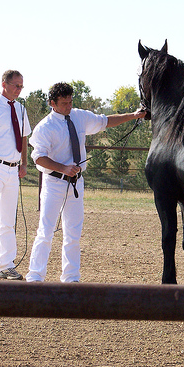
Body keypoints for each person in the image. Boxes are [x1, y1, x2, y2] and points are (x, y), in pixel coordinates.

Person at [26, 82, 146, 283]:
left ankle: (71, 277)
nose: (68, 106)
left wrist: (133, 116)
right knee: (46, 231)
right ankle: (35, 277)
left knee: (73, 233)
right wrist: (63, 168)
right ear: (52, 103)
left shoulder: (79, 116)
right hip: (54, 184)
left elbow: (105, 121)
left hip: (76, 184)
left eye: (71, 102)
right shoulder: (44, 128)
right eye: (64, 103)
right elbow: (38, 158)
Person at [0, 70, 31, 280]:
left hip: (12, 169)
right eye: (16, 85)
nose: (19, 89)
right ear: (4, 84)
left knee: (7, 219)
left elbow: (23, 137)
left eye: (22, 86)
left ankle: (6, 265)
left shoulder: (21, 109)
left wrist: (24, 163)